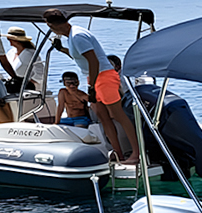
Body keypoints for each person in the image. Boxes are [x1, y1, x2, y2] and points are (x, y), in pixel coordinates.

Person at [44, 8, 138, 163]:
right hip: (94, 77)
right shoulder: (72, 36)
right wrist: (61, 49)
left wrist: (92, 87)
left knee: (120, 116)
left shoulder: (78, 35)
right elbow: (81, 57)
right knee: (103, 117)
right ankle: (118, 154)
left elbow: (93, 61)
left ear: (51, 25)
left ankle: (136, 154)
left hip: (104, 77)